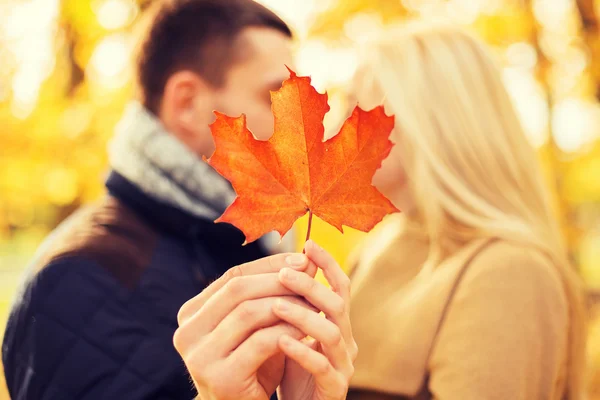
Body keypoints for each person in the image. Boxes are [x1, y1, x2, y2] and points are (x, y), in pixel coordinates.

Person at [2, 0, 356, 398]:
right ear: (187, 103)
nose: (299, 127)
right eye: (274, 96)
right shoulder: (75, 284)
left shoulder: (248, 249)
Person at [344, 22, 587, 400]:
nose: (335, 126)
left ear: (427, 119)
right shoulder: (377, 250)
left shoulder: (511, 272)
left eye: (355, 103)